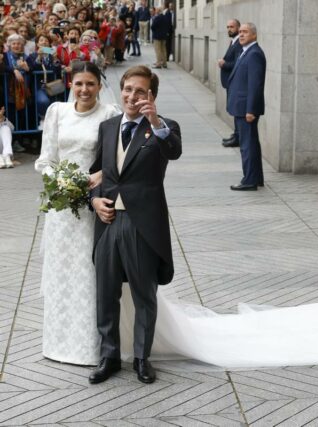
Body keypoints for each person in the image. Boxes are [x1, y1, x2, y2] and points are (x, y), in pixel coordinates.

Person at [88, 65, 182, 384]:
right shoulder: (109, 127)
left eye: (140, 91)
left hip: (142, 225)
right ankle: (109, 356)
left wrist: (155, 121)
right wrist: (94, 201)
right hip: (109, 222)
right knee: (106, 293)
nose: (132, 96)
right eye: (128, 89)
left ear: (151, 95)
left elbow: (174, 151)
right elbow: (98, 174)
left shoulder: (164, 127)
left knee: (144, 294)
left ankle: (142, 358)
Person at [34, 61, 121, 365]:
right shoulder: (57, 112)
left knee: (89, 273)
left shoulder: (109, 115)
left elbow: (115, 163)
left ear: (99, 85)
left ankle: (91, 347)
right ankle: (58, 343)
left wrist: (91, 186)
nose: (84, 90)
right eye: (79, 83)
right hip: (62, 207)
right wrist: (65, 184)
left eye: (90, 84)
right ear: (70, 84)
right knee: (62, 272)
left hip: (95, 208)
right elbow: (45, 161)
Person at [226, 22, 265, 191]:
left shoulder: (254, 53)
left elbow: (255, 85)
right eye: (240, 32)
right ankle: (256, 178)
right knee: (251, 144)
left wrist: (250, 110)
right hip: (241, 107)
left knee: (247, 146)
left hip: (246, 109)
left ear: (254, 35)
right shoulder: (245, 51)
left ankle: (249, 181)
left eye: (245, 32)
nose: (241, 35)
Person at [218, 18, 242, 148]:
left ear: (238, 28)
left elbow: (237, 64)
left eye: (232, 27)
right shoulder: (233, 41)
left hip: (234, 82)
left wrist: (224, 64)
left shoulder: (238, 43)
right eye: (227, 27)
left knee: (235, 110)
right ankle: (236, 134)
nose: (229, 29)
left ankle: (237, 137)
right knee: (233, 109)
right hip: (230, 82)